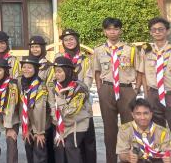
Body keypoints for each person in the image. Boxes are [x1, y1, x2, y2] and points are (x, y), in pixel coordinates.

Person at [139, 17, 171, 163]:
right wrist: (147, 95)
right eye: (154, 30)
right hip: (153, 95)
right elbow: (143, 74)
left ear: (167, 31)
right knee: (156, 134)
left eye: (160, 29)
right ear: (151, 32)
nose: (157, 32)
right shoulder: (146, 51)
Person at [93, 17, 142, 163]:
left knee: (129, 126)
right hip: (107, 89)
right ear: (104, 31)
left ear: (120, 31)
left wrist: (136, 89)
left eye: (115, 29)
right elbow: (97, 71)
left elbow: (139, 70)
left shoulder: (130, 50)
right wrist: (100, 89)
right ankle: (111, 160)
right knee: (109, 129)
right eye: (109, 29)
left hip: (126, 89)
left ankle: (129, 159)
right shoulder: (99, 50)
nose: (112, 32)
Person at [54, 28, 95, 163]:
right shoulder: (58, 57)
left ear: (77, 40)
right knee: (66, 142)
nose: (69, 42)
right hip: (63, 105)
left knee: (87, 143)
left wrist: (76, 91)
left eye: (71, 39)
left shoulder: (85, 60)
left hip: (82, 104)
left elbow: (87, 82)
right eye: (66, 40)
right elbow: (55, 78)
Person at [50, 56, 92, 163]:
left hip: (77, 123)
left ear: (68, 71)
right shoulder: (53, 86)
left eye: (60, 71)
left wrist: (60, 97)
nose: (56, 74)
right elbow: (51, 107)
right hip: (61, 124)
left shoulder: (79, 89)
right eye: (55, 71)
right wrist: (57, 122)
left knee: (70, 146)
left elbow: (69, 112)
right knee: (58, 146)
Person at [116, 98, 171, 163]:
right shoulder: (125, 130)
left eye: (146, 113)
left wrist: (170, 159)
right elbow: (121, 154)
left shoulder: (162, 131)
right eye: (138, 114)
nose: (142, 117)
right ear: (133, 115)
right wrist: (127, 157)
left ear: (151, 114)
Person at [17, 55, 49, 163]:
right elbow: (21, 106)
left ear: (35, 69)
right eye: (24, 67)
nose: (26, 70)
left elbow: (40, 110)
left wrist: (39, 132)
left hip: (40, 125)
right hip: (28, 124)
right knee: (29, 152)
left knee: (39, 154)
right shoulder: (21, 83)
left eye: (29, 67)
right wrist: (25, 128)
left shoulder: (40, 85)